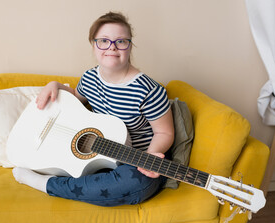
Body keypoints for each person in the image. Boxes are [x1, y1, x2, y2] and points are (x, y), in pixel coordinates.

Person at [12, 12, 174, 206]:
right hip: (100, 154)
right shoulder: (90, 78)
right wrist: (55, 85)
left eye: (121, 41)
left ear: (130, 46)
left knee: (138, 183)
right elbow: (75, 98)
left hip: (136, 159)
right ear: (93, 45)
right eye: (104, 41)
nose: (112, 47)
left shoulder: (148, 90)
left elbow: (164, 131)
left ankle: (45, 183)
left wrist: (148, 158)